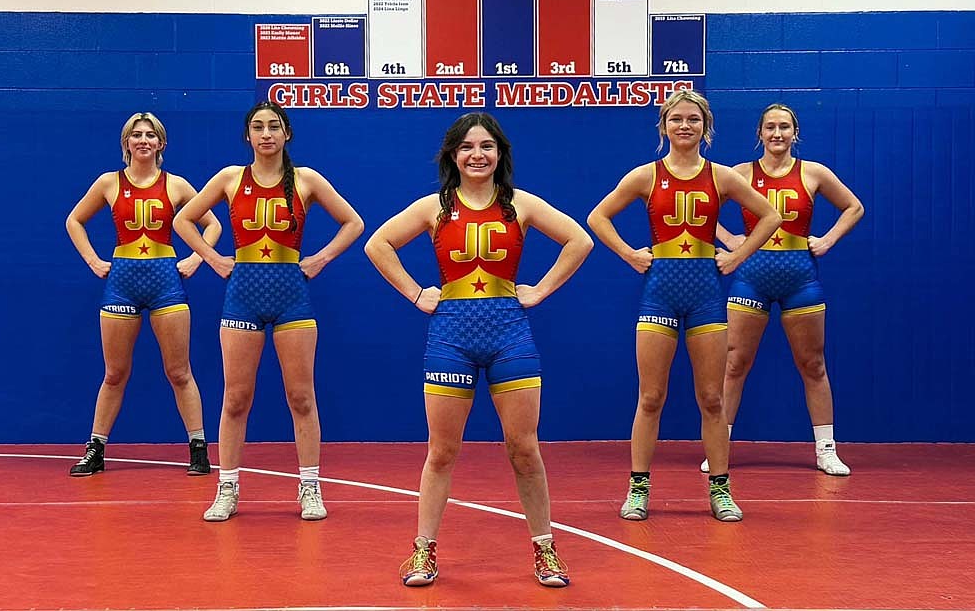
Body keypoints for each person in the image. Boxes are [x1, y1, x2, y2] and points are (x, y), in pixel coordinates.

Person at [364, 112, 592, 588]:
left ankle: (546, 550)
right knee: (442, 452)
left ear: (500, 154)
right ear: (453, 155)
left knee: (524, 448)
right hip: (451, 335)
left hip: (510, 333)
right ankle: (423, 552)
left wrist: (540, 290)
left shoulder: (520, 204)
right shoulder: (434, 207)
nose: (477, 154)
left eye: (486, 146)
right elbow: (378, 244)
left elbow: (579, 240)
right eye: (467, 147)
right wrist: (415, 292)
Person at [587, 90, 781, 523]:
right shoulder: (646, 176)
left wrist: (735, 256)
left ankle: (721, 490)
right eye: (677, 119)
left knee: (712, 398)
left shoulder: (723, 177)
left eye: (693, 119)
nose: (685, 126)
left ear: (705, 126)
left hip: (706, 294)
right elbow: (598, 217)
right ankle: (638, 487)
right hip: (660, 292)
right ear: (664, 126)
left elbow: (770, 216)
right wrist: (630, 254)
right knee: (651, 396)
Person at [173, 101, 363, 522]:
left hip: (291, 294)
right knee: (236, 398)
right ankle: (228, 488)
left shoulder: (307, 179)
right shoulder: (229, 178)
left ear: (287, 134)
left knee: (301, 396)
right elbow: (184, 220)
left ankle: (310, 486)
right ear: (248, 136)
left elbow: (353, 222)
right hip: (242, 293)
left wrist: (319, 259)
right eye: (257, 127)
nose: (266, 134)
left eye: (274, 126)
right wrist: (213, 258)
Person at [698, 104, 864, 476]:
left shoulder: (813, 173)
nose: (777, 133)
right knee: (735, 362)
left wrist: (827, 241)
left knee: (813, 364)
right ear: (759, 133)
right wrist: (729, 241)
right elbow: (702, 212)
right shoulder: (740, 174)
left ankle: (825, 449)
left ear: (795, 133)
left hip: (799, 277)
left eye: (784, 127)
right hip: (751, 275)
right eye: (770, 127)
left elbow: (853, 207)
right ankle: (718, 446)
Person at [66, 112, 223, 477]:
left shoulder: (177, 185)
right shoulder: (109, 183)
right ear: (126, 143)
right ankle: (96, 448)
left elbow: (212, 224)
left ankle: (198, 448)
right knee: (115, 373)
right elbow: (74, 220)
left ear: (161, 144)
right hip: (122, 280)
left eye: (150, 135)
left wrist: (197, 258)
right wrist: (93, 260)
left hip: (165, 281)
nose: (143, 140)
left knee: (179, 370)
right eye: (136, 135)